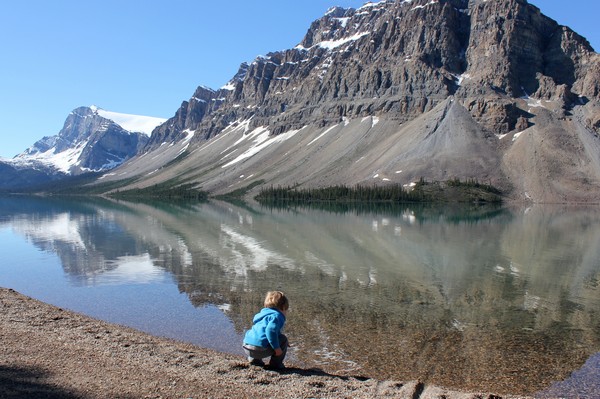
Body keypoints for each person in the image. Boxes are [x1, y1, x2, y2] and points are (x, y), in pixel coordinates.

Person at [242, 291, 289, 370]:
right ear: (283, 307)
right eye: (286, 310)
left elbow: (265, 331)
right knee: (283, 339)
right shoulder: (277, 316)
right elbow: (270, 330)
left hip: (246, 346)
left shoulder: (261, 314)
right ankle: (276, 365)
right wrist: (277, 348)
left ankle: (254, 360)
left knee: (257, 335)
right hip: (260, 350)